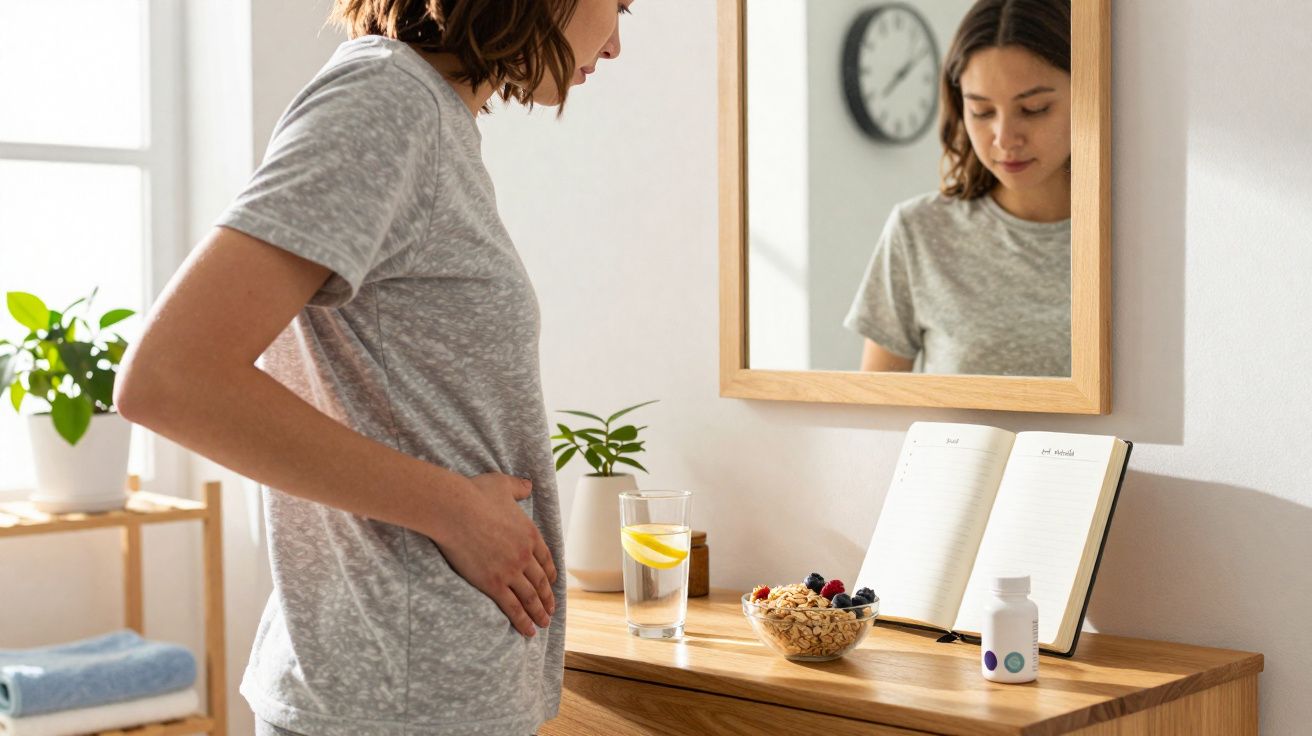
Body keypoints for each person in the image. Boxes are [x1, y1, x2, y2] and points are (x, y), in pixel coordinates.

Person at [114, 1, 634, 734]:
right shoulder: (385, 102)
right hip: (395, 696)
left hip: (417, 688)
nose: (615, 44)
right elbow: (171, 378)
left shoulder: (427, 113)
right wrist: (455, 510)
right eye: (619, 5)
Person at [845, 0, 1072, 377]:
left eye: (1033, 108)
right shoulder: (917, 231)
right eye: (982, 112)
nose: (1004, 138)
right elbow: (878, 413)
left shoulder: (1139, 236)